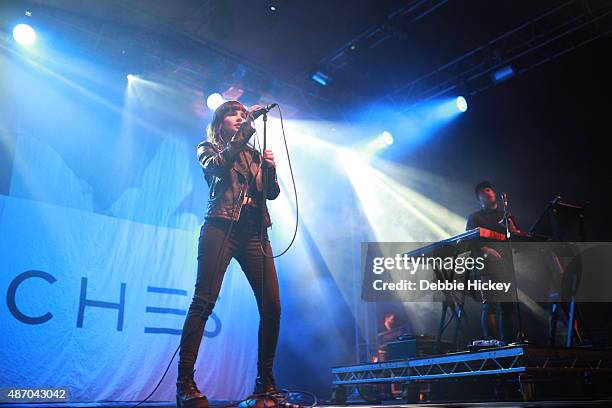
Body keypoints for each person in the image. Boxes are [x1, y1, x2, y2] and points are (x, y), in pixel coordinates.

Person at [176, 100, 281, 408]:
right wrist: (247, 129)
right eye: (232, 114)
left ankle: (265, 383)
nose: (239, 117)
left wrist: (270, 169)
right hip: (221, 227)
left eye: (241, 114)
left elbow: (269, 193)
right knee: (203, 301)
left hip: (254, 232)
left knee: (272, 307)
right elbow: (220, 167)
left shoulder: (252, 155)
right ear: (220, 123)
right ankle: (185, 384)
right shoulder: (207, 148)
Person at [466, 181, 522, 343]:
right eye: (483, 192)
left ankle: (508, 343)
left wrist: (510, 226)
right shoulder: (475, 217)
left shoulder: (505, 215)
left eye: (489, 190)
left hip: (507, 265)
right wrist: (486, 250)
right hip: (487, 268)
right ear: (479, 200)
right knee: (490, 305)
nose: (487, 193)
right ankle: (492, 344)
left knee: (508, 307)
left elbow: (518, 238)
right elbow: (469, 241)